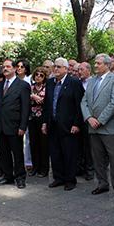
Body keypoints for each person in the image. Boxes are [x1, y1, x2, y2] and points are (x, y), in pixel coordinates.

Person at [80, 53, 114, 199]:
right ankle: (102, 184)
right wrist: (88, 118)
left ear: (107, 65)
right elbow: (84, 102)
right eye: (95, 63)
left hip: (110, 127)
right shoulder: (92, 81)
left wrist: (99, 119)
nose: (95, 66)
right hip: (93, 127)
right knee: (97, 158)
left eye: (98, 63)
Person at [43, 58, 85, 191]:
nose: (55, 69)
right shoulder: (50, 83)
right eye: (55, 66)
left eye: (59, 67)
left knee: (69, 154)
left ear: (66, 69)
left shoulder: (74, 83)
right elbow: (47, 104)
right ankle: (58, 178)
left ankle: (70, 180)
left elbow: (80, 105)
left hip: (68, 125)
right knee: (55, 153)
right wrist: (45, 122)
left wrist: (77, 123)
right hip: (53, 124)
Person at [0, 59, 31, 189]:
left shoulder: (23, 85)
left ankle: (20, 177)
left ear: (14, 69)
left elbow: (26, 108)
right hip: (0, 126)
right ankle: (8, 176)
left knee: (17, 153)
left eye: (8, 66)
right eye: (3, 67)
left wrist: (23, 126)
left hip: (15, 126)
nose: (5, 69)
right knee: (4, 152)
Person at [28, 66, 49, 177]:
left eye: (41, 75)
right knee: (33, 143)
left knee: (43, 144)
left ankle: (44, 169)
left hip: (42, 119)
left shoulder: (47, 87)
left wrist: (36, 98)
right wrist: (32, 97)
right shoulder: (30, 88)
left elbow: (45, 102)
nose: (38, 77)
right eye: (37, 74)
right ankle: (35, 167)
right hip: (31, 118)